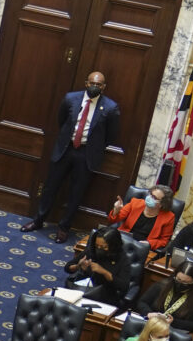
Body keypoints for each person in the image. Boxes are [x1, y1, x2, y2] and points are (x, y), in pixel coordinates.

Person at [21, 70, 120, 241]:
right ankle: (38, 220)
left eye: (99, 84)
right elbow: (62, 121)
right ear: (86, 83)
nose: (95, 86)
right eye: (92, 83)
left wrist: (93, 145)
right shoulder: (70, 98)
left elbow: (111, 135)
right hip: (65, 149)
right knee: (50, 187)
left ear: (104, 87)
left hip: (86, 154)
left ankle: (64, 227)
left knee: (76, 192)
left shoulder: (110, 107)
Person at [63, 226, 132, 306]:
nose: (99, 249)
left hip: (105, 297)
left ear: (113, 246)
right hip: (84, 290)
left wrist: (104, 272)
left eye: (104, 247)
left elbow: (124, 286)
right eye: (97, 245)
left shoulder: (122, 259)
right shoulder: (92, 250)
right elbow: (67, 267)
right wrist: (78, 266)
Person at [138, 258, 193, 334]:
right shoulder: (163, 285)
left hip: (174, 332)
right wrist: (148, 313)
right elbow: (142, 302)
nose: (180, 284)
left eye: (185, 282)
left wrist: (173, 322)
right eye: (178, 280)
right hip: (151, 324)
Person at [106, 185, 177, 251]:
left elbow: (164, 241)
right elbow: (112, 220)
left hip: (142, 248)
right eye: (150, 194)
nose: (150, 198)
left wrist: (149, 243)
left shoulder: (168, 217)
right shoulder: (135, 203)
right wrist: (116, 210)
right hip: (123, 241)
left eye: (154, 198)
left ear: (162, 204)